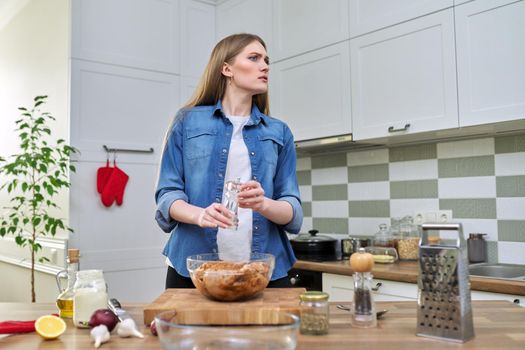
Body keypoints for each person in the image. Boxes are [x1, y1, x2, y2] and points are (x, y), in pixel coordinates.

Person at [155, 33, 303, 289]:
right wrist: (200, 214)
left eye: (266, 60)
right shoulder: (187, 122)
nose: (265, 66)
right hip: (193, 268)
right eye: (254, 58)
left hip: (263, 270)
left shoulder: (279, 132)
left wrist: (263, 203)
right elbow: (167, 196)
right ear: (227, 68)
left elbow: (293, 210)